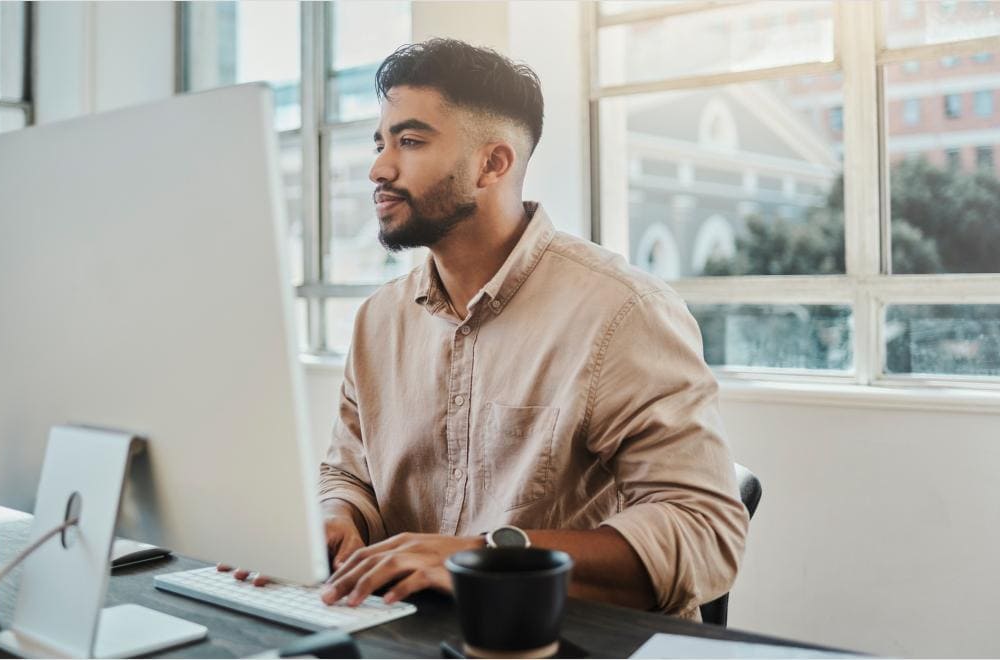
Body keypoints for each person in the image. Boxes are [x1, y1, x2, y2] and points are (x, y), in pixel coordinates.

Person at [314, 38, 748, 620]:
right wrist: (334, 519)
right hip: (408, 632)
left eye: (410, 141)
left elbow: (704, 532)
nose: (379, 169)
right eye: (380, 143)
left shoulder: (623, 312)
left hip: (567, 642)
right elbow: (349, 474)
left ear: (493, 164)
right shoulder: (377, 320)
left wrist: (485, 559)